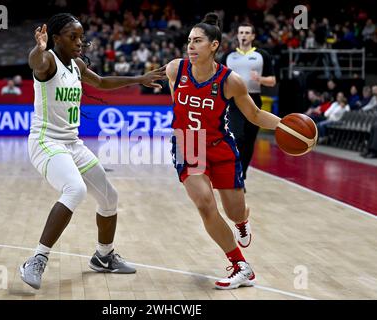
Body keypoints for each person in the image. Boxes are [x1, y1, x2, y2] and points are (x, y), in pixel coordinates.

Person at [20, 13, 166, 290]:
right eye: (72, 37)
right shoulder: (48, 59)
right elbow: (36, 65)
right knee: (75, 190)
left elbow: (100, 82)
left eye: (80, 37)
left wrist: (140, 78)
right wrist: (37, 49)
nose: (79, 42)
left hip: (72, 144)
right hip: (46, 142)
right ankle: (37, 258)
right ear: (55, 38)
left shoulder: (75, 65)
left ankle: (104, 256)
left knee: (109, 197)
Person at [165, 13, 281, 290]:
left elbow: (254, 114)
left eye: (198, 41)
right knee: (205, 204)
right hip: (188, 146)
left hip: (220, 147)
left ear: (214, 45)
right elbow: (177, 105)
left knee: (234, 211)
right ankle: (241, 266)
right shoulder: (175, 70)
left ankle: (242, 221)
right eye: (189, 41)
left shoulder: (230, 81)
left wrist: (285, 126)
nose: (190, 46)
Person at [221, 22, 276, 181]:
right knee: (236, 136)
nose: (244, 35)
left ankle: (242, 173)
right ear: (237, 35)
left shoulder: (262, 55)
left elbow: (272, 81)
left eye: (247, 32)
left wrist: (259, 78)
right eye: (241, 32)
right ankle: (234, 168)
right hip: (233, 101)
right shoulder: (228, 56)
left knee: (250, 140)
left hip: (254, 99)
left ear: (252, 36)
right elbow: (220, 79)